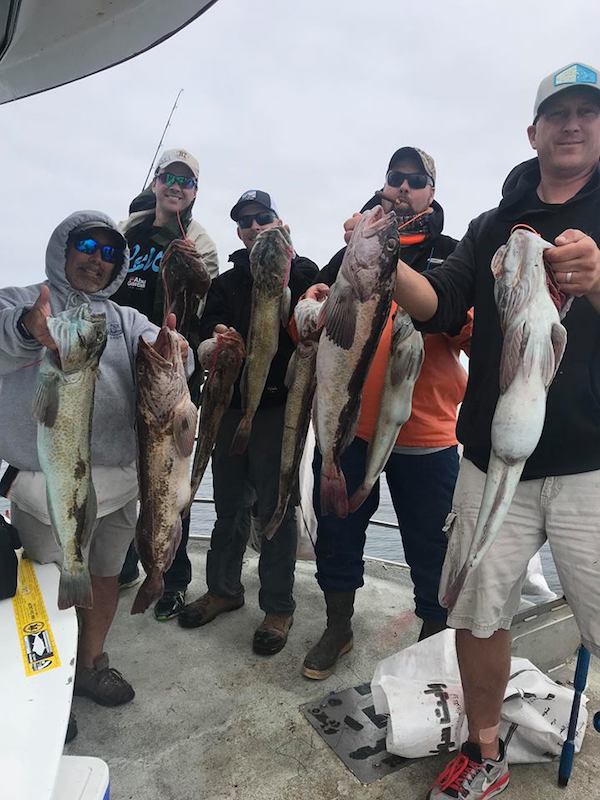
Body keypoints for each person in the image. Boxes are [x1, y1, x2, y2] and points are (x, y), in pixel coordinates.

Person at [391, 63, 600, 799]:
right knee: (479, 614)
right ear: (533, 131)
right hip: (487, 461)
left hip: (591, 467)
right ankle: (484, 747)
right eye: (558, 113)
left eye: (587, 111)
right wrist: (384, 264)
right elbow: (441, 305)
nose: (572, 124)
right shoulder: (489, 225)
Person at [0, 210, 191, 731]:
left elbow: (174, 357)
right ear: (63, 246)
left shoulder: (125, 319)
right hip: (45, 485)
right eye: (87, 244)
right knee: (43, 591)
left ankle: (90, 665)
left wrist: (187, 349)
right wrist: (27, 330)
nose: (97, 259)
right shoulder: (21, 300)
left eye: (110, 252)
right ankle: (48, 684)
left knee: (102, 579)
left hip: (119, 482)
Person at [302, 148, 472, 681]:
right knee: (337, 529)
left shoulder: (452, 255)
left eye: (415, 180)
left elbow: (470, 329)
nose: (402, 187)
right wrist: (309, 305)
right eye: (394, 178)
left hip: (428, 435)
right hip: (348, 428)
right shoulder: (349, 251)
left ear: (431, 193)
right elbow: (310, 326)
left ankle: (433, 633)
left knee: (433, 543)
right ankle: (338, 624)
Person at [178, 190, 318, 655]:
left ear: (278, 222)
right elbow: (203, 329)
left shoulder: (302, 272)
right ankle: (223, 589)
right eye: (245, 223)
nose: (254, 227)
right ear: (238, 232)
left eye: (262, 219)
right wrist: (212, 341)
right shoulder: (227, 283)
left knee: (276, 509)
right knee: (228, 506)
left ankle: (278, 605)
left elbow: (317, 317)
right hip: (230, 408)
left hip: (279, 411)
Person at [112, 147, 219, 622]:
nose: (176, 187)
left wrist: (192, 269)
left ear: (195, 191)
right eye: (169, 178)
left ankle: (173, 578)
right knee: (124, 469)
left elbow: (205, 299)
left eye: (186, 181)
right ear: (156, 183)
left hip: (173, 370)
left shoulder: (202, 240)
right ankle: (127, 559)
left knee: (171, 474)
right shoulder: (125, 230)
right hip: (121, 368)